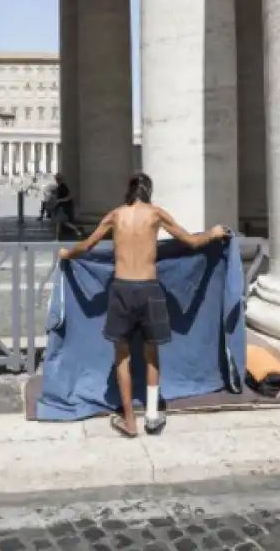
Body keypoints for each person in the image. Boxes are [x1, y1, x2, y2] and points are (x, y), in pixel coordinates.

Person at [58, 172, 228, 438]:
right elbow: (191, 242)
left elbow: (88, 244)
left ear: (129, 191)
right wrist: (214, 233)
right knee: (152, 355)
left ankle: (129, 421)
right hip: (149, 289)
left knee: (122, 357)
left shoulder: (115, 215)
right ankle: (150, 415)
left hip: (122, 288)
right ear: (148, 191)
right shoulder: (156, 214)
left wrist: (67, 253)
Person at [52, 173, 83, 241]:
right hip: (62, 207)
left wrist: (59, 200)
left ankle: (57, 239)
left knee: (59, 222)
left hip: (62, 208)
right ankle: (78, 231)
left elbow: (68, 197)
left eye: (57, 179)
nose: (56, 180)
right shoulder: (61, 187)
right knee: (64, 223)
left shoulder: (62, 187)